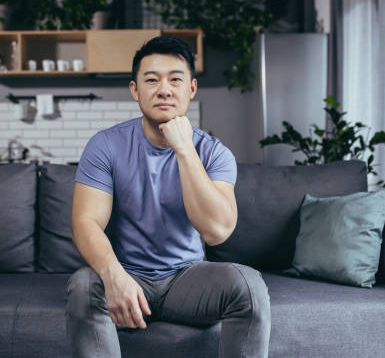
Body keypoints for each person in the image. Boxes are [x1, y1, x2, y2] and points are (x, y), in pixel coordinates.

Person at [65, 36, 271, 358]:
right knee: (82, 286)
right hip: (127, 274)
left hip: (187, 279)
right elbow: (86, 222)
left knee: (248, 286)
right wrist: (114, 277)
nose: (164, 89)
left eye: (175, 79)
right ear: (135, 90)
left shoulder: (214, 153)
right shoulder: (105, 145)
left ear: (191, 89)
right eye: (151, 80)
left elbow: (216, 231)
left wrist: (185, 149)